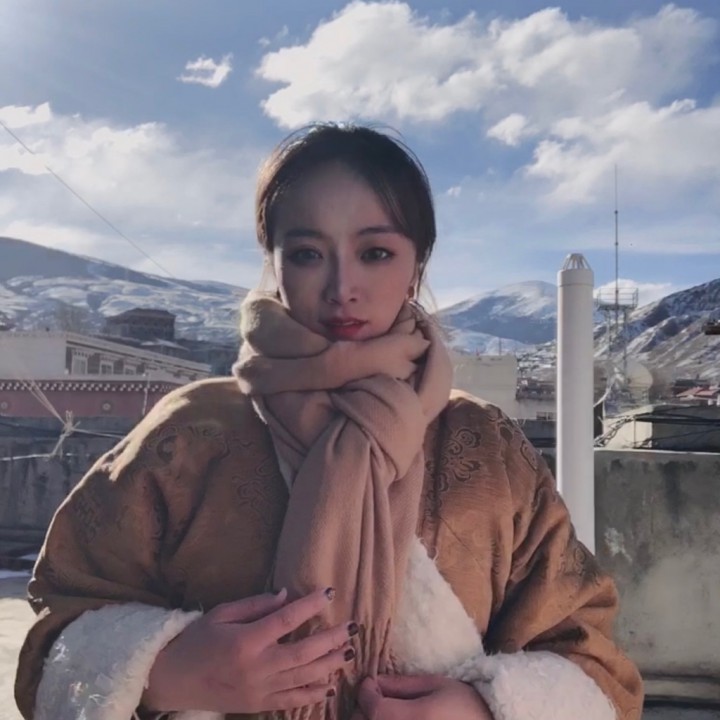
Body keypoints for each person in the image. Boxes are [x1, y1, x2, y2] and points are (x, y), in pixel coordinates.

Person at [15, 124, 643, 720]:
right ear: (275, 263)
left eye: (375, 252)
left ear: (417, 266)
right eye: (308, 253)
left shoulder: (483, 446)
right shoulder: (189, 434)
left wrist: (483, 708)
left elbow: (590, 654)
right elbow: (58, 623)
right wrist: (167, 669)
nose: (343, 286)